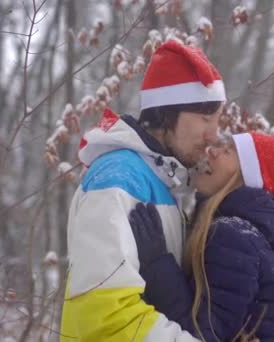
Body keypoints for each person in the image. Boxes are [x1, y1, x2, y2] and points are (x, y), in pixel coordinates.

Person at [60, 40, 226, 341]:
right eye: (205, 118)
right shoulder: (118, 180)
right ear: (166, 114)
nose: (214, 134)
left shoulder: (159, 180)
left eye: (217, 120)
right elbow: (104, 316)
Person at [130, 132, 274, 342]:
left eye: (228, 151)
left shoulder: (233, 238)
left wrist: (157, 265)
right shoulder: (247, 237)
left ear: (246, 177)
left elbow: (201, 336)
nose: (212, 151)